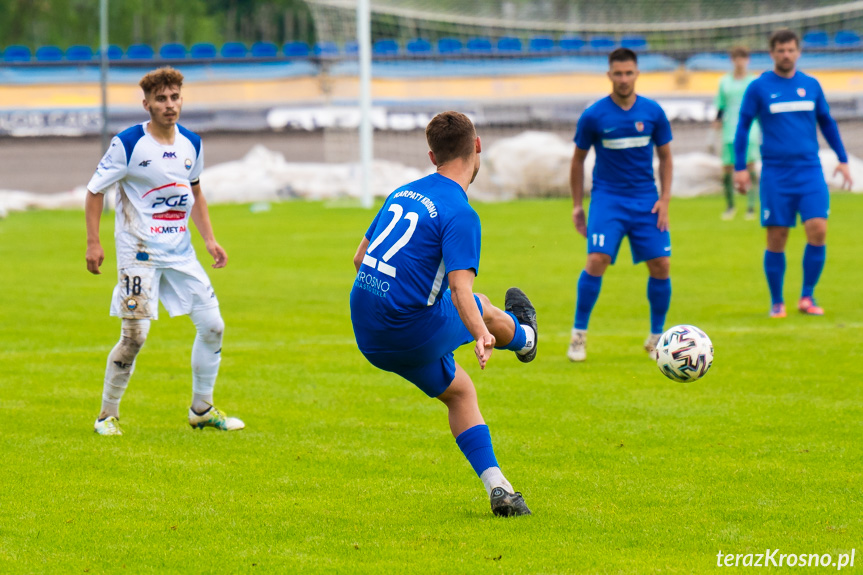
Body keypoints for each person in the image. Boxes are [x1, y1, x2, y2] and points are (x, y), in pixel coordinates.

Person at [350, 111, 536, 517]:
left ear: (432, 155)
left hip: (366, 328)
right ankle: (525, 339)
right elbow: (460, 289)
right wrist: (480, 333)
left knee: (459, 391)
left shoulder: (402, 191)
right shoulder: (460, 212)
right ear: (478, 146)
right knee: (482, 305)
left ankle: (500, 489)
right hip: (405, 329)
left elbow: (359, 257)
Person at [85, 67, 243, 435]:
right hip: (138, 253)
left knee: (213, 326)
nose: (169, 105)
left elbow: (196, 191)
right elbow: (95, 191)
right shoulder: (127, 144)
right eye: (161, 99)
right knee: (134, 336)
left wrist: (209, 239)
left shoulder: (192, 143)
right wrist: (94, 242)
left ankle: (202, 409)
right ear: (147, 104)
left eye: (175, 98)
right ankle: (107, 416)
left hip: (181, 253)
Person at [734, 29, 852, 318]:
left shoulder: (810, 85)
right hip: (776, 173)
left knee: (819, 229)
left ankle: (807, 297)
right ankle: (777, 301)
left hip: (809, 171)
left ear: (798, 52)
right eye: (780, 50)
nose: (786, 55)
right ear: (772, 53)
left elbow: (826, 122)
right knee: (777, 236)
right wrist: (740, 167)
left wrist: (842, 158)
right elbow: (742, 126)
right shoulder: (759, 87)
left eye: (790, 50)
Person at [567, 48, 673, 362]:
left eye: (629, 73)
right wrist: (577, 205)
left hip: (646, 200)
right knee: (597, 259)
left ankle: (656, 339)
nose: (624, 79)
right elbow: (578, 160)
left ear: (637, 74)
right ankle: (578, 336)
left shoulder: (653, 112)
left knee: (662, 265)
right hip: (608, 199)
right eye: (618, 73)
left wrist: (665, 199)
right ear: (609, 75)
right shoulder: (594, 115)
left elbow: (666, 157)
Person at [712, 46, 760, 220]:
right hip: (729, 130)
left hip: (750, 130)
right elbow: (720, 106)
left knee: (750, 166)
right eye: (736, 58)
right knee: (727, 168)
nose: (739, 62)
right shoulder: (724, 82)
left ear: (747, 60)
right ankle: (730, 207)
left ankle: (751, 207)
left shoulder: (753, 82)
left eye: (743, 58)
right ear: (732, 61)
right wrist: (715, 127)